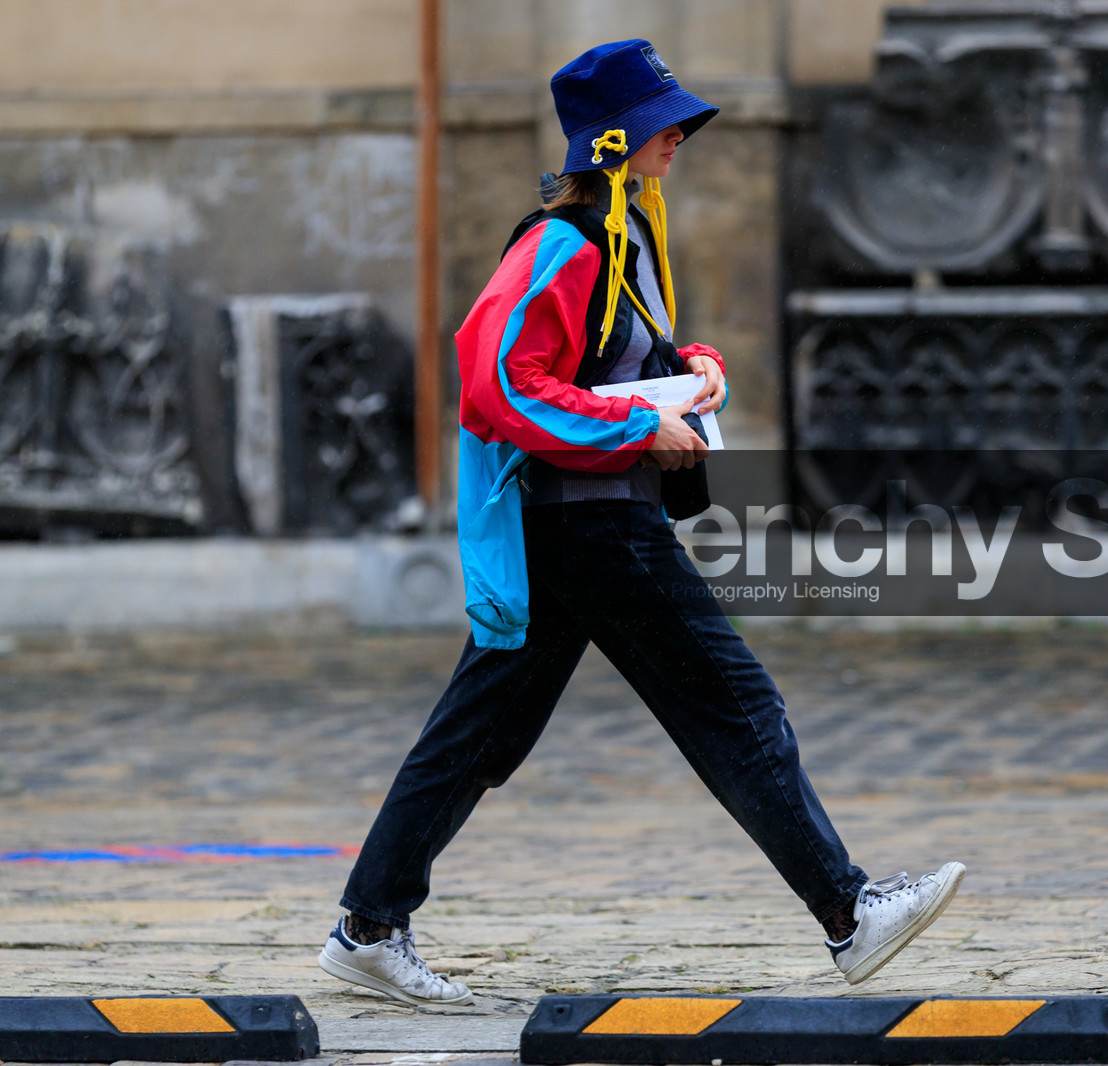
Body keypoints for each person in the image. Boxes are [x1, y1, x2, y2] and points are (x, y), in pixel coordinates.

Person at [317, 39, 965, 1007]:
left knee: (476, 735)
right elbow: (498, 384)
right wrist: (636, 424)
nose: (679, 136)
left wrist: (693, 368)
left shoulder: (625, 235)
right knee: (736, 708)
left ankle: (368, 928)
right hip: (595, 529)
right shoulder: (563, 245)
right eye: (662, 122)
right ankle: (848, 913)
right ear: (611, 140)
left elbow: (613, 361)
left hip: (579, 527)